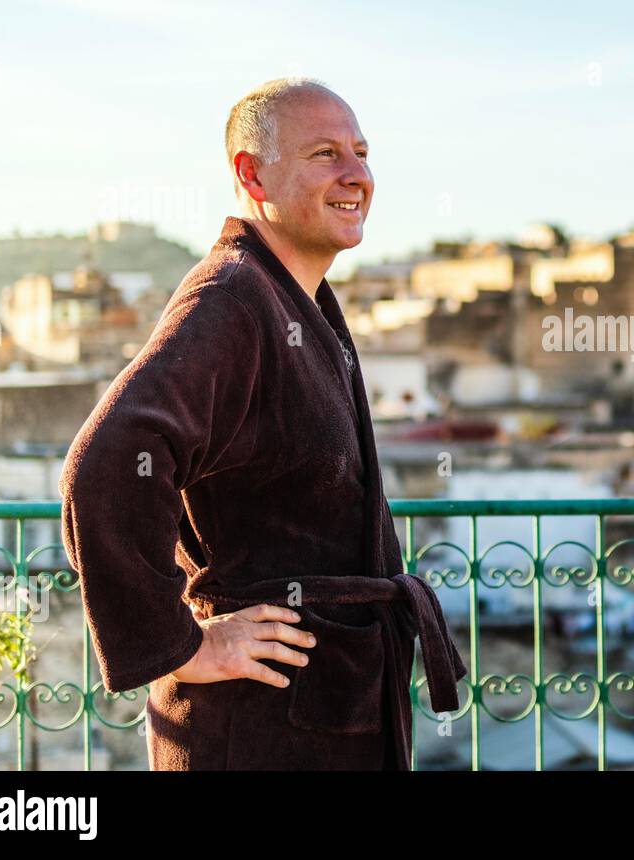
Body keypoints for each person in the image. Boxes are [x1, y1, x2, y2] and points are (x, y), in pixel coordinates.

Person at [59, 77, 466, 770]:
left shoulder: (298, 301)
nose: (356, 175)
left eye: (362, 153)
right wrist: (182, 645)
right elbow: (106, 463)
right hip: (259, 726)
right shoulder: (233, 299)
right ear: (252, 172)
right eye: (325, 154)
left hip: (318, 712)